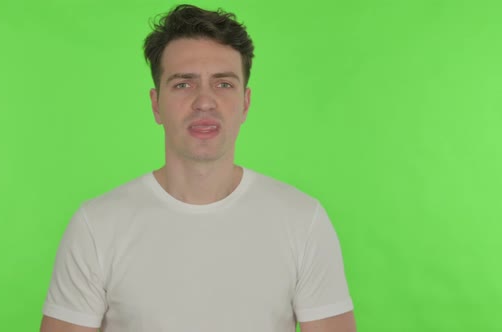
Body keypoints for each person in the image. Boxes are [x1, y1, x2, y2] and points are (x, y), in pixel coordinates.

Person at [40, 4, 355, 332]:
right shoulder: (96, 227)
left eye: (223, 84)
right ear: (155, 104)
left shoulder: (303, 222)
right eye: (183, 84)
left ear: (245, 103)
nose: (204, 101)